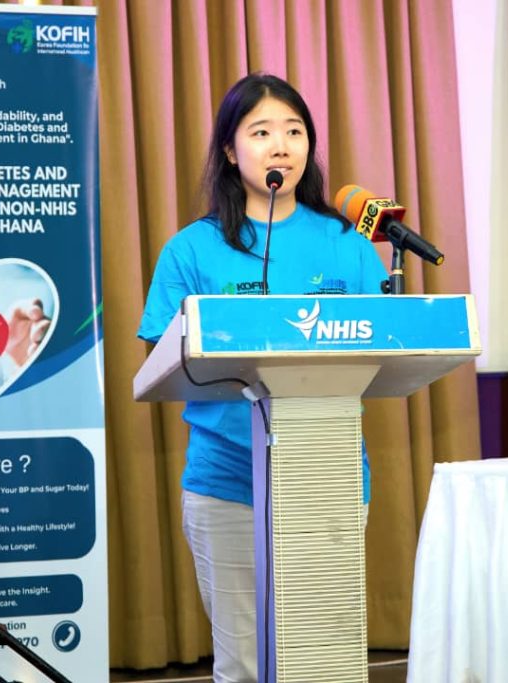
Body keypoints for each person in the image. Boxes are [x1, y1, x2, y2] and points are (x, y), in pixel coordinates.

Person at [137, 73, 387, 682]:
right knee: (244, 663)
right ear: (229, 150)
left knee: (324, 661)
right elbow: (162, 355)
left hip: (327, 479)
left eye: (295, 132)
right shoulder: (191, 250)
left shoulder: (346, 242)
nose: (281, 146)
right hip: (227, 482)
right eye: (262, 132)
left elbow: (385, 344)